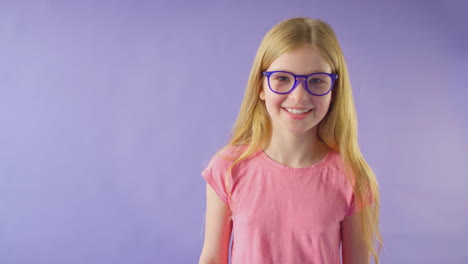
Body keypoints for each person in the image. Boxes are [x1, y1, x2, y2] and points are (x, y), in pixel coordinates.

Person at [198, 17, 383, 264]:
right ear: (260, 87)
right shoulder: (228, 168)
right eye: (283, 79)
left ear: (334, 92)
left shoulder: (352, 177)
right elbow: (212, 259)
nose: (298, 95)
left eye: (316, 80)